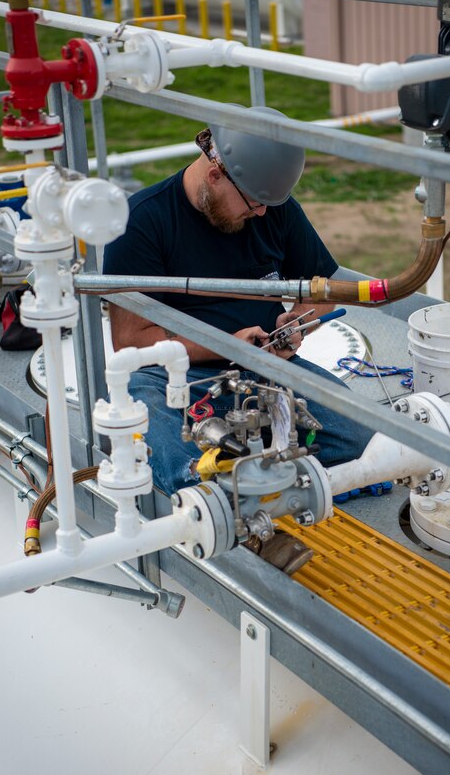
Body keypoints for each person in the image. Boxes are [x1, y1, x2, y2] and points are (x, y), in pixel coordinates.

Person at [103, 106, 373, 571]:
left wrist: (296, 326)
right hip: (174, 380)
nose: (262, 214)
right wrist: (228, 344)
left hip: (261, 367)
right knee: (175, 455)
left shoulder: (272, 206)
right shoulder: (140, 222)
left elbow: (322, 288)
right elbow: (132, 343)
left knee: (361, 435)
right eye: (252, 204)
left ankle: (240, 472)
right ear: (214, 175)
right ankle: (230, 503)